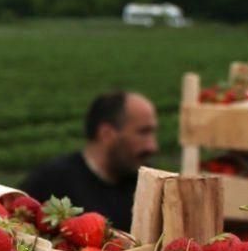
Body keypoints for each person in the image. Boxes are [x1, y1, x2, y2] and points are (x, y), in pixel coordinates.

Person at [21, 91, 161, 228]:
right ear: (106, 134)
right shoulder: (50, 182)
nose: (152, 146)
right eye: (143, 132)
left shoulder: (145, 186)